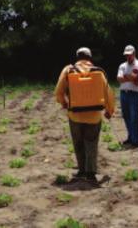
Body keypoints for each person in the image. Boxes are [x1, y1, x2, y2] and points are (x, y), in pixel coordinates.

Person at [55, 47, 114, 187]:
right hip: (94, 116)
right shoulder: (98, 71)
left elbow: (58, 91)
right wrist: (109, 110)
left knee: (78, 143)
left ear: (77, 57)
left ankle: (81, 170)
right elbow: (108, 93)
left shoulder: (68, 70)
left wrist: (64, 103)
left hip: (74, 115)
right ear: (90, 58)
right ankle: (91, 174)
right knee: (91, 143)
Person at [117, 45, 138, 148]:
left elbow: (137, 82)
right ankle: (131, 137)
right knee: (126, 116)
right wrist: (130, 78)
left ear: (134, 54)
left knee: (134, 117)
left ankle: (136, 140)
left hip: (134, 94)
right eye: (126, 55)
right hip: (124, 93)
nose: (128, 57)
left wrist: (126, 77)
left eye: (129, 55)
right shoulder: (122, 65)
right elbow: (119, 78)